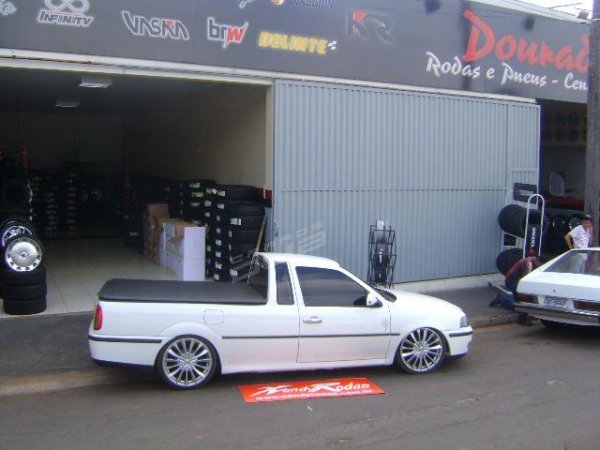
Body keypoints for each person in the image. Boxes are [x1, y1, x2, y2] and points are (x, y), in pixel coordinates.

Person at [504, 255, 542, 326]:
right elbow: (527, 278)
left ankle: (502, 299)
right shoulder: (529, 263)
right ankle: (522, 319)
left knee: (517, 303)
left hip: (517, 280)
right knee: (524, 299)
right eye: (540, 264)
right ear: (537, 260)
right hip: (511, 280)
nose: (540, 266)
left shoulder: (533, 261)